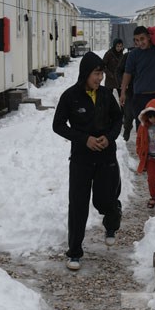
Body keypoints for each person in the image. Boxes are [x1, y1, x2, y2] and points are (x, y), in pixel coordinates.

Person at [52, 52, 123, 271]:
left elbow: (118, 119)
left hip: (106, 157)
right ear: (85, 73)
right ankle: (74, 252)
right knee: (78, 205)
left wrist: (108, 138)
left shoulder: (105, 95)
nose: (100, 78)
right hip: (81, 159)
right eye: (96, 73)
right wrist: (85, 139)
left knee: (105, 200)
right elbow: (58, 125)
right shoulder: (70, 96)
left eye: (102, 73)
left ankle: (112, 222)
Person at [116, 47, 135, 141]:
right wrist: (123, 84)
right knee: (128, 115)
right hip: (129, 91)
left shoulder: (145, 56)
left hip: (142, 92)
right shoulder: (127, 56)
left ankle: (143, 144)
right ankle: (126, 135)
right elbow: (118, 71)